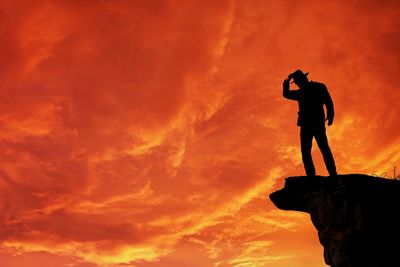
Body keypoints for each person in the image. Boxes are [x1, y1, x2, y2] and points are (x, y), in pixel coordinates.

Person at [283, 69, 337, 176]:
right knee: (310, 151)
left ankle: (330, 173)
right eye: (296, 82)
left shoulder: (316, 88)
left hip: (313, 123)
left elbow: (328, 102)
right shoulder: (313, 89)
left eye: (298, 81)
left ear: (303, 79)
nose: (297, 84)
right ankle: (314, 175)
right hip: (309, 124)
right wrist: (330, 115)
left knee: (321, 148)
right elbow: (286, 94)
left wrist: (330, 115)